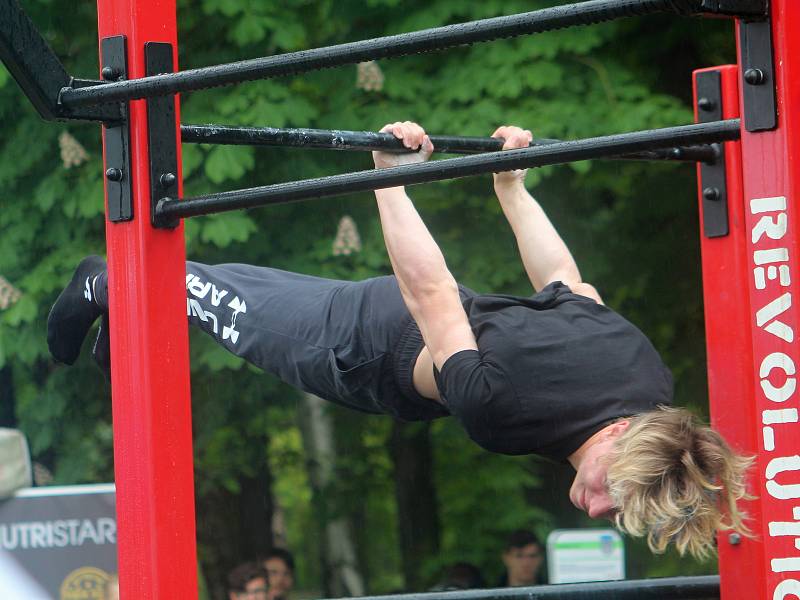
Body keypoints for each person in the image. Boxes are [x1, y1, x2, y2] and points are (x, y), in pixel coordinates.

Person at [46, 122, 752, 560]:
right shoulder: (500, 409)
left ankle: (133, 314)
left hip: (427, 326)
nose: (597, 508)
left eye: (614, 513)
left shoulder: (645, 378)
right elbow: (431, 296)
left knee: (217, 297)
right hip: (361, 347)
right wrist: (389, 183)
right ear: (623, 435)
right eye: (613, 494)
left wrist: (511, 187)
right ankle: (103, 285)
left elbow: (567, 281)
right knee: (212, 296)